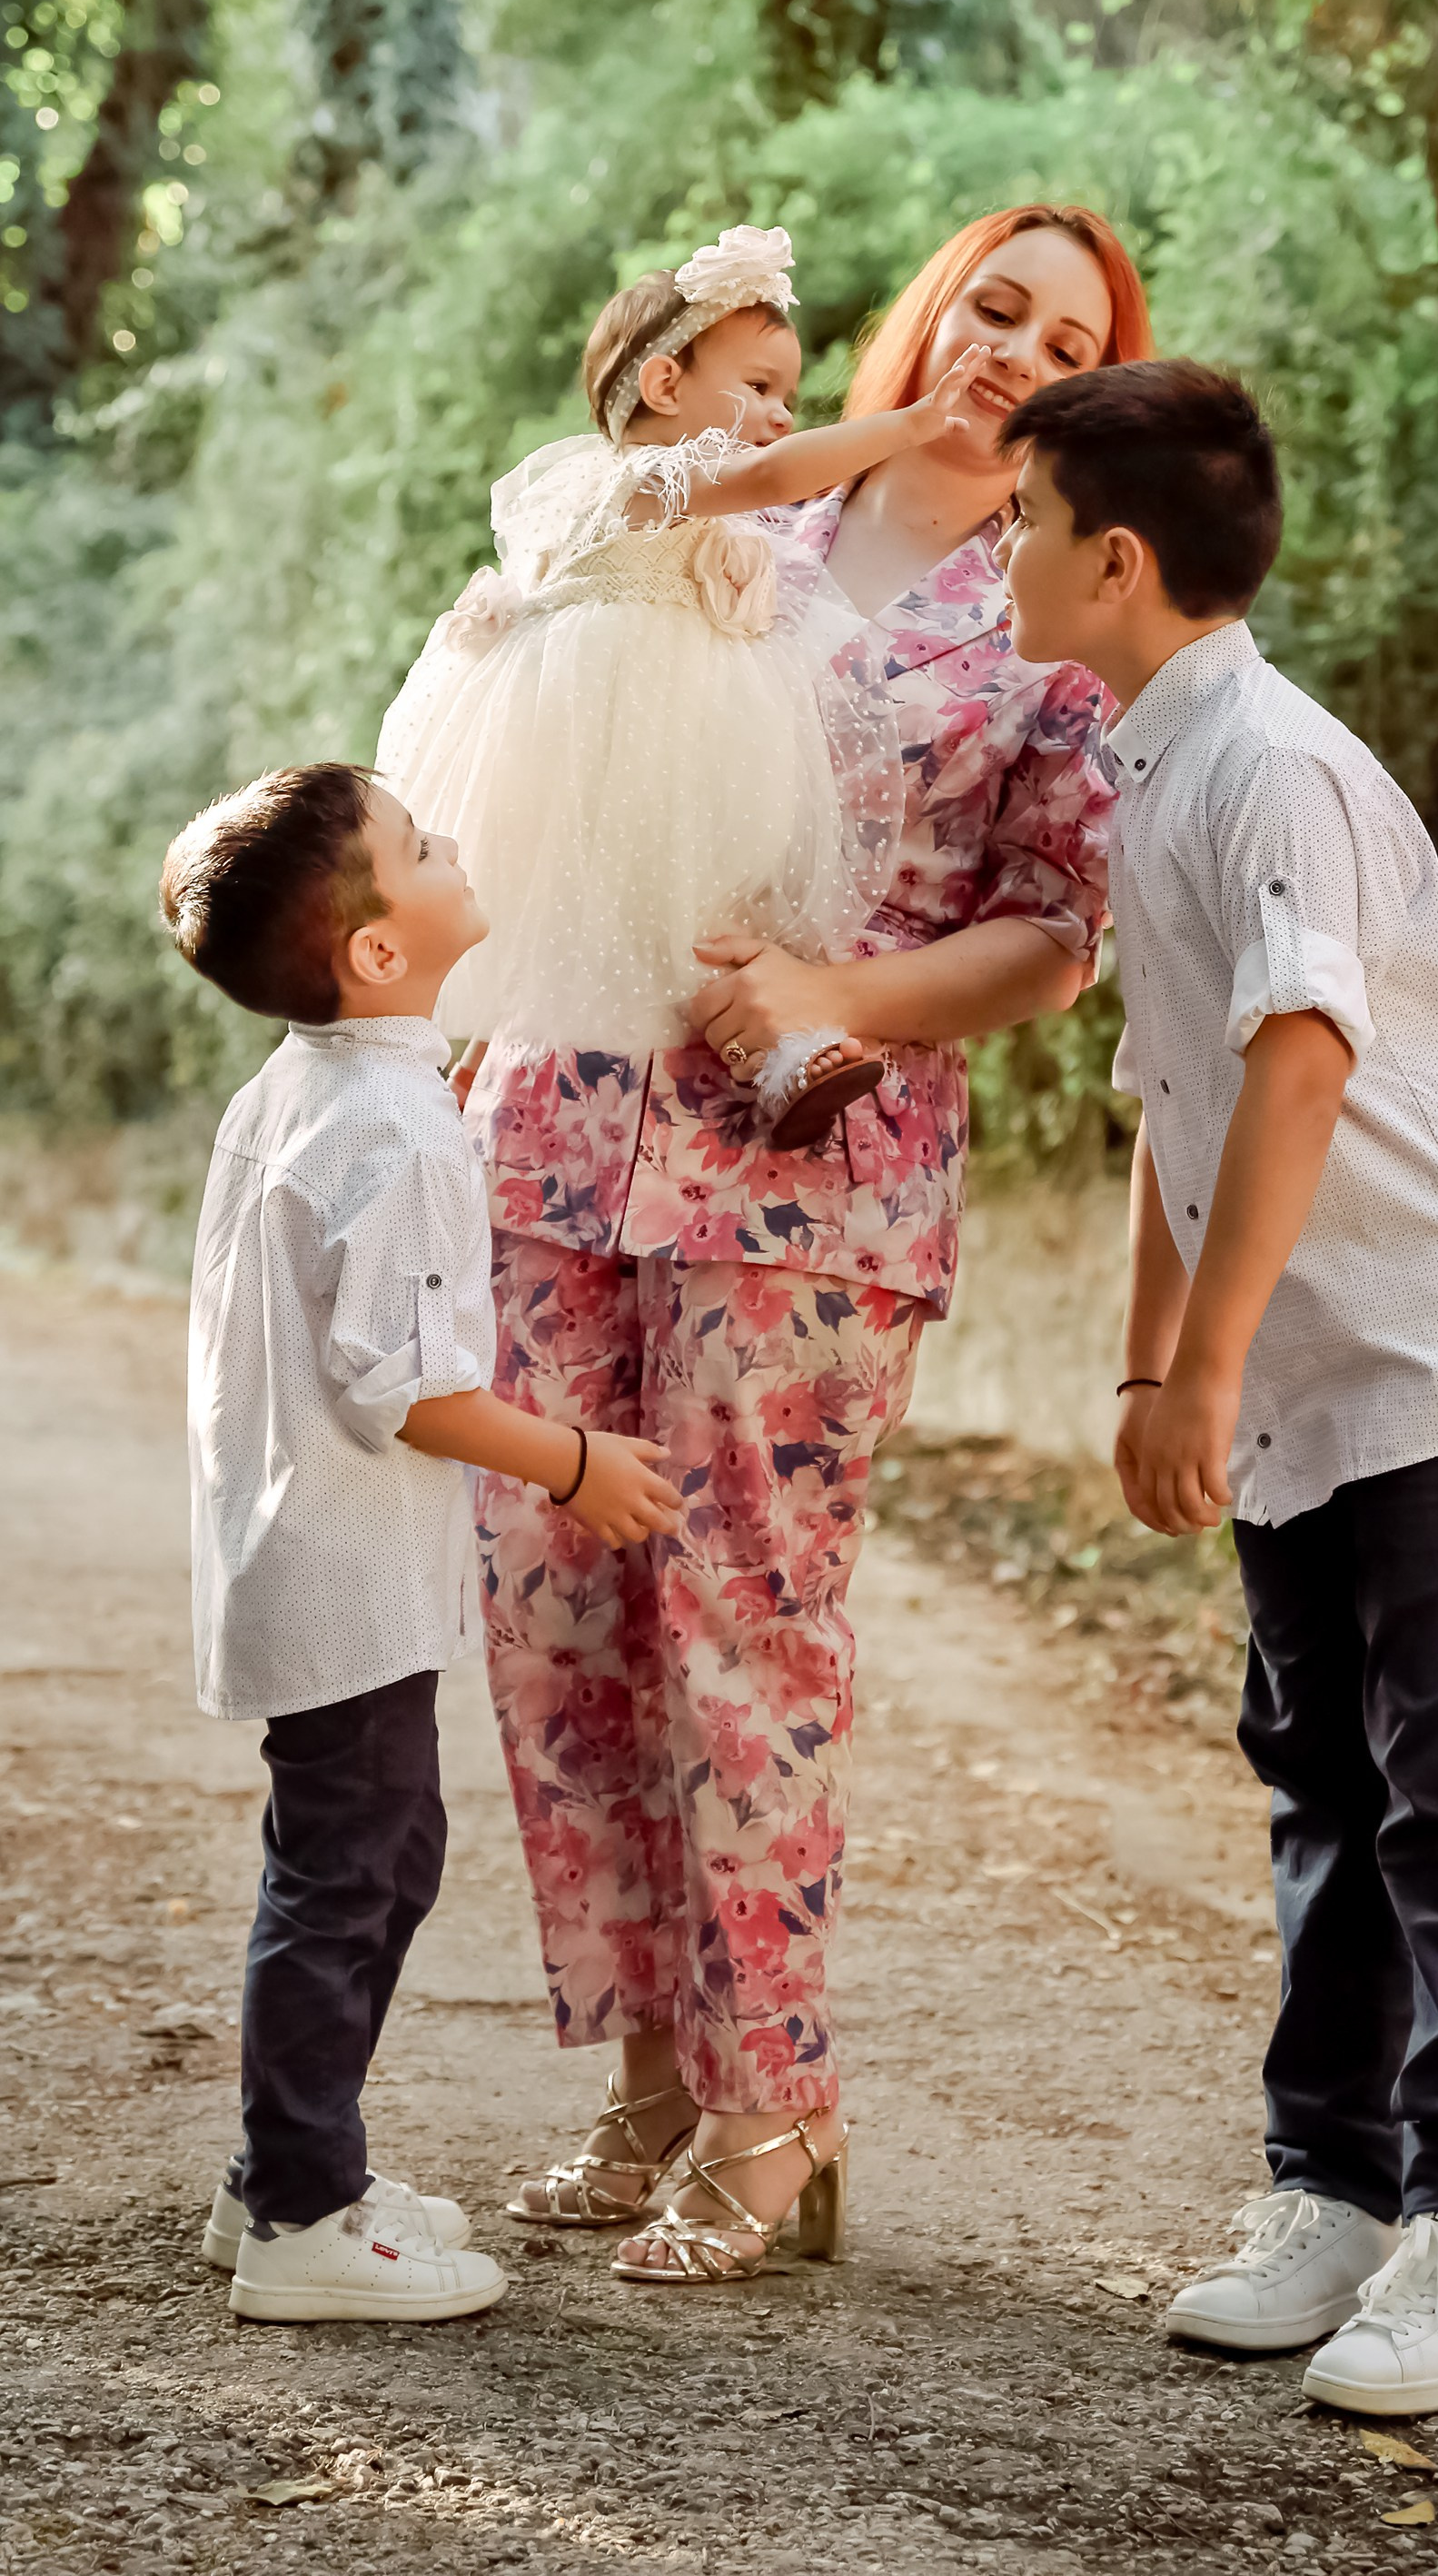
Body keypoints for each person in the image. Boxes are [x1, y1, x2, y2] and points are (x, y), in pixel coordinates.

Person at [463, 204, 1147, 2284]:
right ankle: (647, 2082)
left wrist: (833, 998)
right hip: (565, 1127)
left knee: (740, 1631)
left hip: (809, 1180)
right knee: (561, 1623)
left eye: (1066, 338)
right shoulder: (733, 511)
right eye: (992, 304)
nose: (1014, 347)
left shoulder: (1058, 609)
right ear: (925, 311)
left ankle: (776, 2113)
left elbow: (1057, 932)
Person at [997, 360, 1438, 2419]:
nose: (1002, 555)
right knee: (1321, 1775)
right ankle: (1333, 2186)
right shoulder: (1154, 765)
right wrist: (1152, 1358)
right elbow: (1172, 1090)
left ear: (1115, 561)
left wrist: (1205, 1363)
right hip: (1306, 1369)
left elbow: (1304, 1062)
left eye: (1018, 521)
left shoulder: (1273, 767)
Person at [157, 761, 681, 2323]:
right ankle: (301, 2217)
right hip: (343, 1574)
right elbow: (412, 1387)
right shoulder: (392, 1122)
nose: (450, 842)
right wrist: (577, 1461)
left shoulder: (310, 1086)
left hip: (312, 1554)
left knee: (374, 1859)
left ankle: (282, 2169)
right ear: (379, 947)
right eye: (418, 842)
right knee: (346, 1877)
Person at [377, 224, 997, 1149]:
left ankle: (774, 1051)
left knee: (710, 902)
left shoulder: (696, 503)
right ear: (665, 386)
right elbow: (772, 473)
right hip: (625, 729)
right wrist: (909, 426)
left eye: (788, 396)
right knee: (667, 898)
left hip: (683, 725)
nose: (780, 414)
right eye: (759, 387)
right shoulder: (641, 480)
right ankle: (728, 1052)